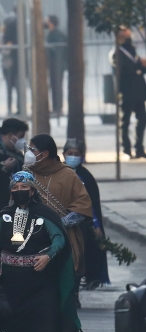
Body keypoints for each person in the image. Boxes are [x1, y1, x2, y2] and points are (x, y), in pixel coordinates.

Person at [0, 171, 84, 332]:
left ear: (32, 190)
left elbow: (59, 238)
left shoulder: (45, 214)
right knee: (15, 328)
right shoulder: (3, 215)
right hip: (12, 283)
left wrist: (48, 255)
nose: (20, 191)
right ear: (11, 191)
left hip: (42, 281)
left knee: (49, 325)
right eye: (15, 187)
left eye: (24, 187)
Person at [23, 134, 93, 291]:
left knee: (63, 283)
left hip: (64, 236)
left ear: (45, 154)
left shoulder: (68, 175)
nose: (28, 153)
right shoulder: (27, 174)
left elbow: (83, 205)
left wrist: (58, 224)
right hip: (32, 238)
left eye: (32, 149)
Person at [62, 139, 110, 290]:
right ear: (64, 154)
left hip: (81, 225)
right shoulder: (58, 173)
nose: (73, 157)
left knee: (79, 257)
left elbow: (92, 204)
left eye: (77, 154)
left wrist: (96, 226)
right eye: (70, 154)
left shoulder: (86, 177)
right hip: (60, 223)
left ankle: (75, 292)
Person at [115, 26, 146, 159]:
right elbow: (123, 72)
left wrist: (142, 66)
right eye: (124, 30)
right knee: (125, 121)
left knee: (142, 119)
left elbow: (138, 68)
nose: (127, 32)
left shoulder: (131, 49)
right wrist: (138, 68)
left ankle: (139, 148)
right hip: (126, 92)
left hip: (138, 91)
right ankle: (126, 149)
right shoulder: (116, 53)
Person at [46, 15, 67, 117]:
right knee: (54, 86)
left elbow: (59, 50)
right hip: (53, 64)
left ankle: (58, 108)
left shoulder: (57, 34)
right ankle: (55, 108)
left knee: (57, 86)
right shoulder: (51, 33)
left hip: (57, 64)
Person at [2, 13, 19, 116]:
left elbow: (5, 44)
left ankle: (9, 107)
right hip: (17, 62)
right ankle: (19, 107)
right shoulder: (20, 23)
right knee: (18, 86)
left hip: (9, 62)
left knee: (10, 86)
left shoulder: (11, 26)